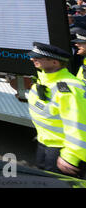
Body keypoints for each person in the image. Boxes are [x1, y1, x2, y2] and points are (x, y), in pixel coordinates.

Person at [27, 42, 86, 179]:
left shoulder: (69, 88)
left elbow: (79, 125)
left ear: (54, 62)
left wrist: (70, 156)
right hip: (44, 145)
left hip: (61, 151)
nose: (32, 59)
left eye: (38, 58)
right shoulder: (44, 80)